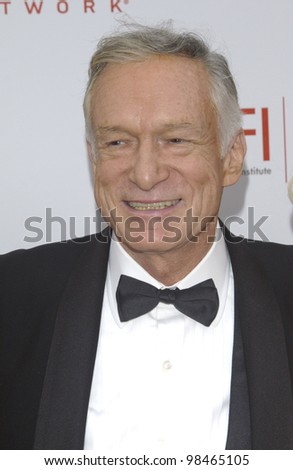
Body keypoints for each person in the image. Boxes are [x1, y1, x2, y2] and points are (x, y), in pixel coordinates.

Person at [1, 23, 293, 451]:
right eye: (118, 142)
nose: (145, 173)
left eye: (175, 140)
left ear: (231, 157)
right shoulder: (12, 295)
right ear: (93, 157)